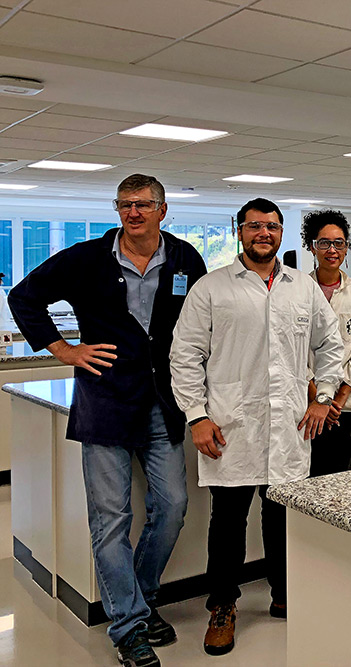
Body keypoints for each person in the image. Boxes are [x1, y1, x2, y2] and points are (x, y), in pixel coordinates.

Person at [8, 174, 207, 666]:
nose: (133, 213)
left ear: (163, 210)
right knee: (110, 521)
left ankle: (135, 600)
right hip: (106, 406)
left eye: (143, 204)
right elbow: (24, 298)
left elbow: (204, 325)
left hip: (163, 404)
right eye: (124, 205)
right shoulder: (86, 259)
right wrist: (64, 351)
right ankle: (128, 627)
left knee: (174, 506)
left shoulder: (185, 259)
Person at [169, 198, 344, 656]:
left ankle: (285, 592)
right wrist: (197, 415)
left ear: (282, 233)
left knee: (282, 514)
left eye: (271, 226)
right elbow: (184, 356)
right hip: (232, 426)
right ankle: (222, 607)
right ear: (239, 231)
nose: (263, 233)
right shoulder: (211, 289)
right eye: (254, 226)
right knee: (227, 522)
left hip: (288, 426)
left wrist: (324, 398)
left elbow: (331, 345)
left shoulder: (301, 287)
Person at [302, 209, 351, 475]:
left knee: (339, 483)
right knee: (307, 480)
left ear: (346, 248)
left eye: (339, 243)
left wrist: (337, 399)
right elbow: (295, 350)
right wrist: (318, 396)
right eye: (324, 243)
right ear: (312, 247)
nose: (332, 250)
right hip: (307, 403)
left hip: (347, 403)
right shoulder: (299, 290)